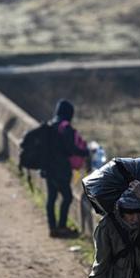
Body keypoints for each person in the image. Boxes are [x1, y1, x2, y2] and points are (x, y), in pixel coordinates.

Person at [41, 99, 89, 238]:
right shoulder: (65, 127)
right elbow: (70, 148)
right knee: (67, 197)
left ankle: (52, 228)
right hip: (61, 169)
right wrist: (85, 152)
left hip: (48, 168)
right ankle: (61, 227)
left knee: (51, 198)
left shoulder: (50, 125)